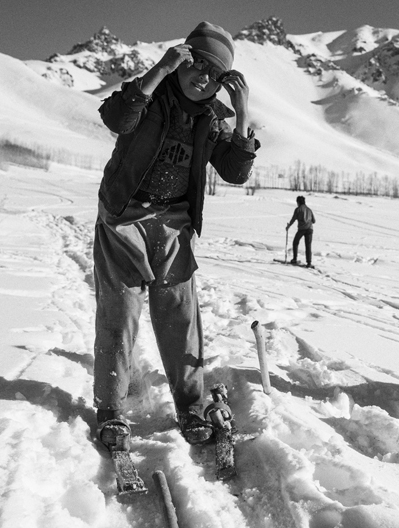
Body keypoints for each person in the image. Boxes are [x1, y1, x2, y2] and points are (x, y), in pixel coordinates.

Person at [92, 21, 259, 446]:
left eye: (214, 72)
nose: (202, 75)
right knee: (120, 312)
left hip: (174, 223)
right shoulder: (150, 96)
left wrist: (242, 114)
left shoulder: (213, 119)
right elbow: (117, 117)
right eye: (195, 62)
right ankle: (110, 409)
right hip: (124, 216)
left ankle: (190, 404)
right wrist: (159, 70)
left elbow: (235, 172)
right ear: (180, 59)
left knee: (180, 316)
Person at [286, 195, 316, 267]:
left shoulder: (298, 209)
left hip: (302, 229)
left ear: (298, 202)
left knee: (295, 242)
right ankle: (309, 263)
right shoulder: (309, 210)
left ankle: (295, 259)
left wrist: (288, 226)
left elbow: (293, 219)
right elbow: (314, 221)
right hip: (310, 229)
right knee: (308, 245)